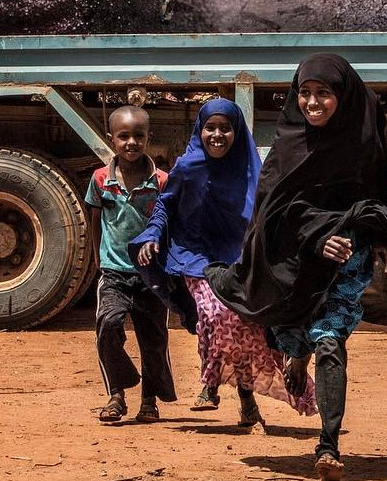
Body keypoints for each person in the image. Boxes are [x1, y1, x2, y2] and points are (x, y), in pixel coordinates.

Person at [207, 54, 387, 481]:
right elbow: (273, 215)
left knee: (330, 341)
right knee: (294, 334)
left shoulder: (364, 136)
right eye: (304, 93)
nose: (312, 103)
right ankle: (297, 353)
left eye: (323, 93)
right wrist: (319, 236)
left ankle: (328, 444)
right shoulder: (289, 145)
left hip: (348, 261)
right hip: (297, 264)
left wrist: (384, 233)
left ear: (342, 96)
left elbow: (373, 195)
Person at [132, 98, 316, 428]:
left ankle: (244, 398)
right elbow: (165, 207)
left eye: (225, 128)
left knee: (244, 328)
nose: (217, 135)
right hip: (194, 255)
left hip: (238, 256)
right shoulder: (187, 167)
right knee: (216, 313)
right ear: (199, 130)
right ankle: (211, 381)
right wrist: (152, 235)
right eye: (210, 128)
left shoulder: (251, 170)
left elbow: (271, 212)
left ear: (237, 132)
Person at [86, 105, 176, 424]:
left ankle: (149, 401)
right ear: (112, 139)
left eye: (139, 135)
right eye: (124, 136)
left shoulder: (162, 181)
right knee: (108, 326)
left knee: (153, 339)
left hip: (151, 275)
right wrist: (98, 258)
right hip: (114, 273)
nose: (131, 142)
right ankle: (117, 394)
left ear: (148, 138)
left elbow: (170, 225)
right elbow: (95, 220)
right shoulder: (100, 180)